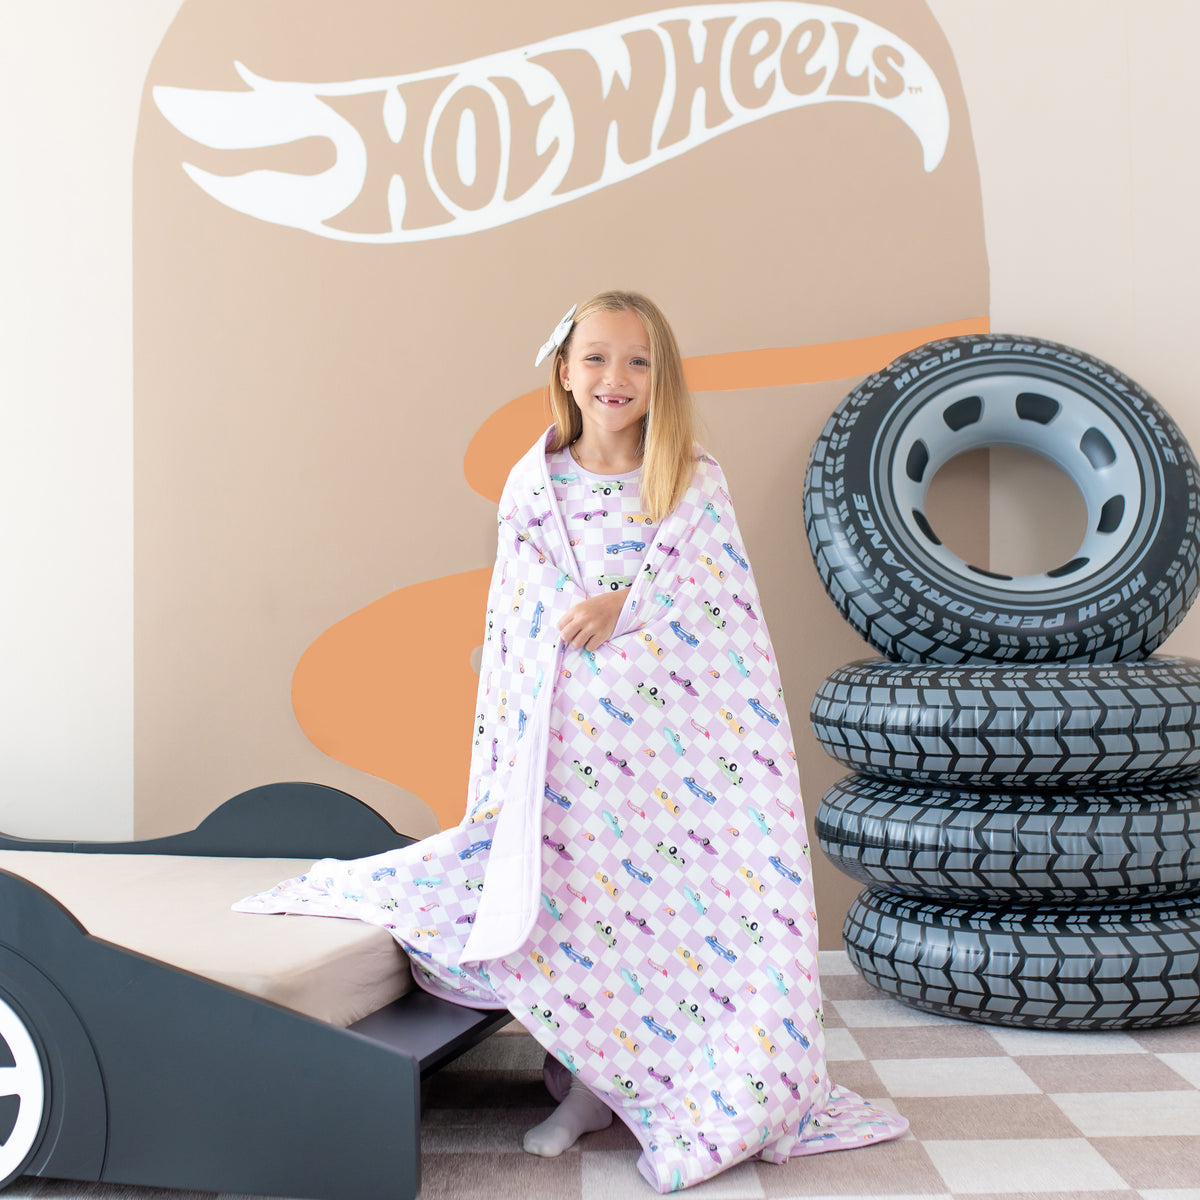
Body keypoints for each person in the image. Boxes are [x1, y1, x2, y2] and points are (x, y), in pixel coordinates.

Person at [236, 292, 906, 1193]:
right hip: (567, 753)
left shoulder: (690, 481)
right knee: (583, 912)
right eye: (595, 357)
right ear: (564, 369)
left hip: (669, 759)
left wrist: (627, 606)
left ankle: (639, 1089)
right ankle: (591, 1087)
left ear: (661, 378)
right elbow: (518, 615)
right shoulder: (535, 484)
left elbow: (720, 608)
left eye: (637, 361)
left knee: (660, 918)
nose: (614, 378)